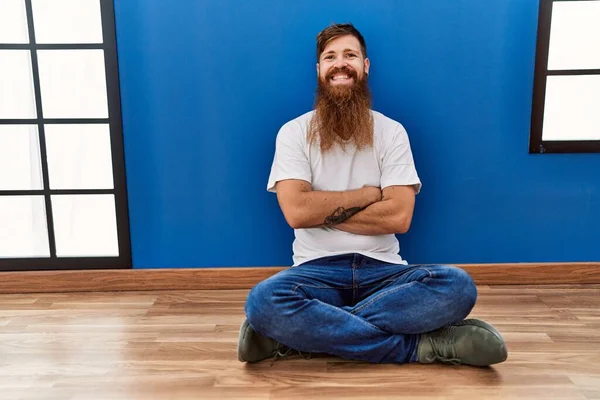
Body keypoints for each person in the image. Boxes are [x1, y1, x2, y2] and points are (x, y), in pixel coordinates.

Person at [237, 23, 507, 366]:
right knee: (264, 301)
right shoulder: (293, 133)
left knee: (457, 286)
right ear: (319, 70)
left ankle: (302, 336)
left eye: (350, 55)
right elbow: (297, 212)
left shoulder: (391, 132)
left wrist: (324, 210)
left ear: (365, 66)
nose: (340, 63)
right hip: (314, 273)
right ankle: (421, 347)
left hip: (385, 272)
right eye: (330, 57)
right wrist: (367, 195)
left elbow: (398, 216)